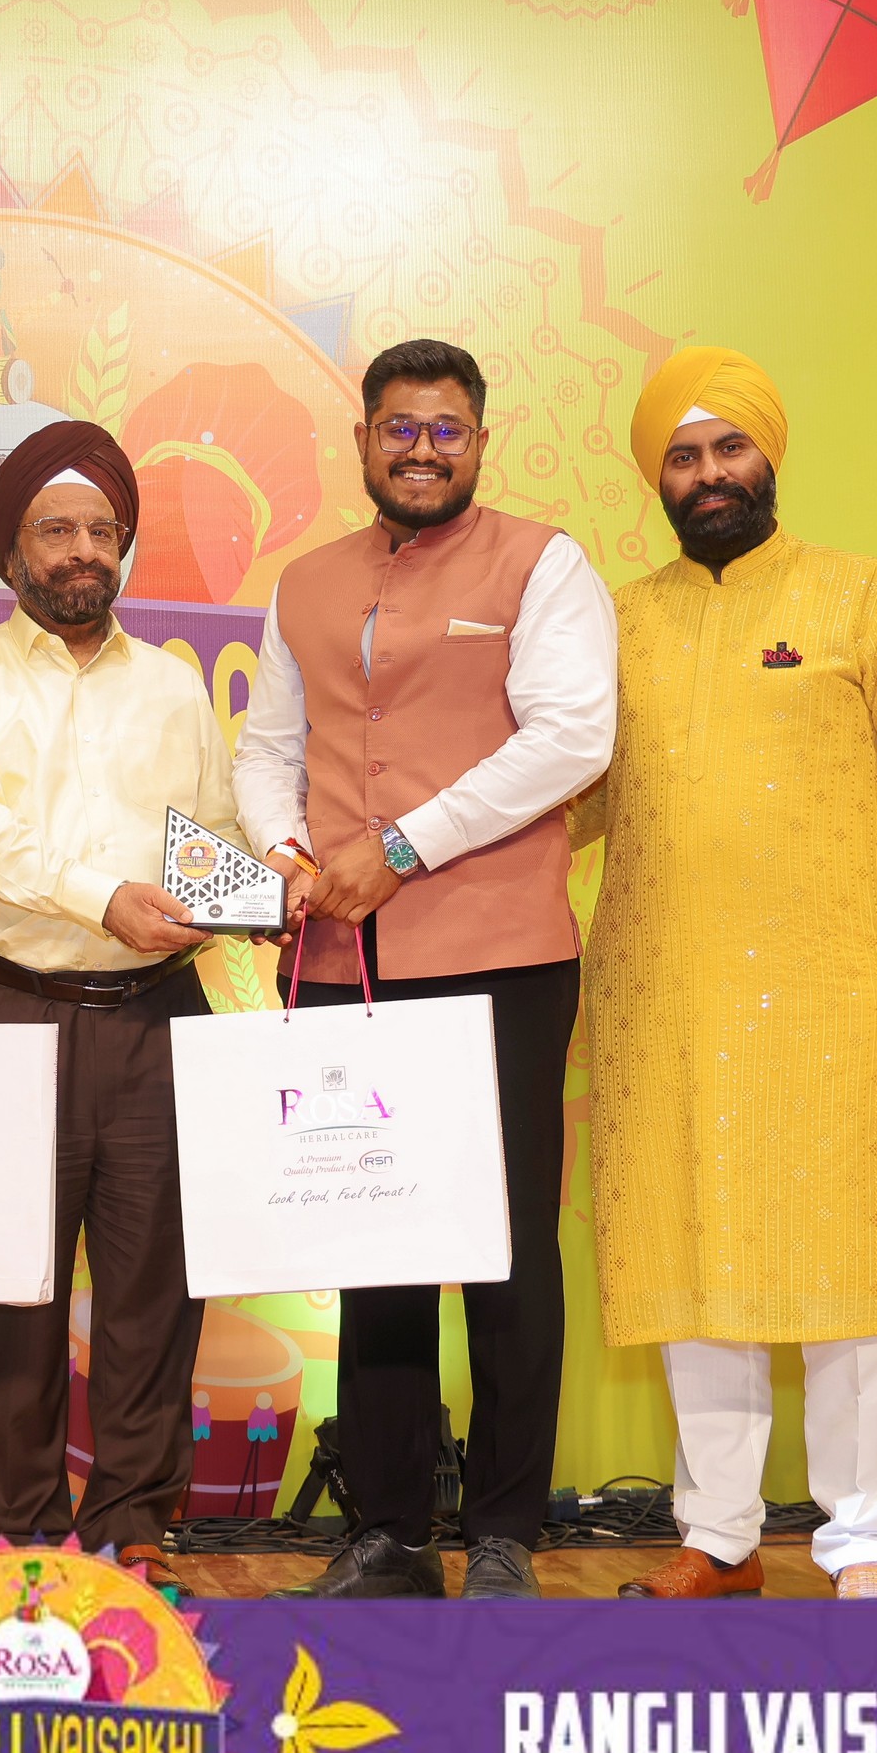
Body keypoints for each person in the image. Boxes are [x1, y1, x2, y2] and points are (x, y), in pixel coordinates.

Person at [583, 349, 877, 1602]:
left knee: (848, 1270)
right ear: (657, 477)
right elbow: (565, 793)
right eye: (683, 456)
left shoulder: (864, 598)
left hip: (841, 1000)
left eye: (729, 448)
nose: (709, 474)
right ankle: (719, 1535)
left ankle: (864, 1540)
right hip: (664, 998)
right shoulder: (615, 622)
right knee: (695, 1265)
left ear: (769, 456)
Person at [230, 338, 616, 1601]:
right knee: (374, 1242)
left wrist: (401, 845)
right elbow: (267, 748)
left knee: (506, 1247)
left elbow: (572, 738)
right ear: (362, 441)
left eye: (447, 429)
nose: (422, 450)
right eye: (400, 427)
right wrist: (286, 852)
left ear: (482, 442)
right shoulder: (305, 582)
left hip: (504, 953)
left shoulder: (545, 564)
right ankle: (387, 1529)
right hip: (345, 958)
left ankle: (503, 1526)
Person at [0, 420, 234, 1584]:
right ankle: (21, 1529)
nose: (83, 551)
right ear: (12, 549)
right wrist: (106, 898)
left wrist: (246, 890)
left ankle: (134, 1520)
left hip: (160, 1013)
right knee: (12, 1282)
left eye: (103, 530)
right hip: (15, 1011)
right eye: (57, 529)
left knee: (156, 1284)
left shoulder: (175, 684)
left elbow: (212, 834)